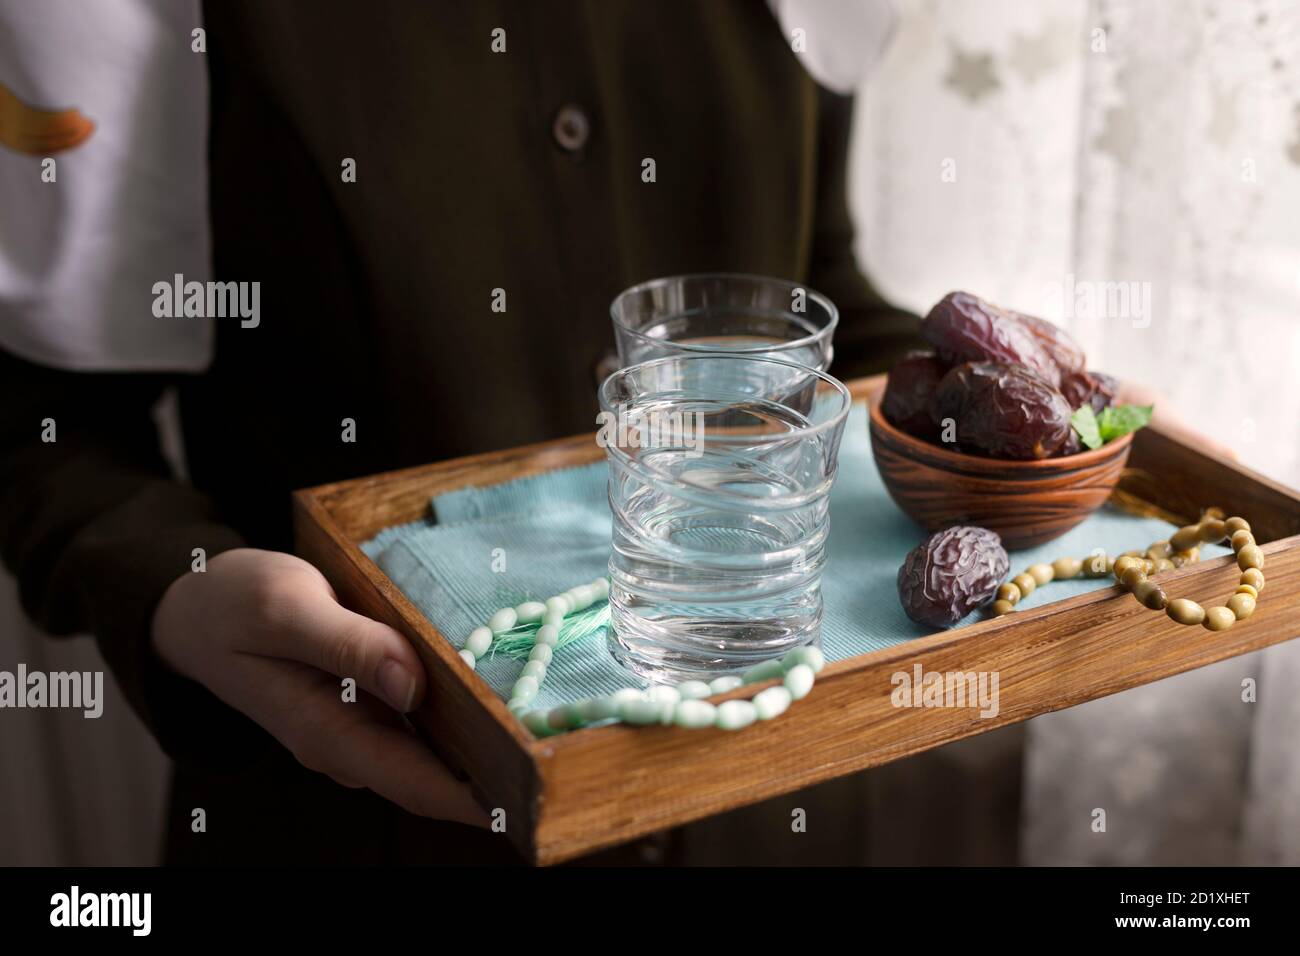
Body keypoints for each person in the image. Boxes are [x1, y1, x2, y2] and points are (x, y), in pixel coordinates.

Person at [0, 0, 919, 863]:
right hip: (357, 816)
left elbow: (816, 298)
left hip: (778, 790)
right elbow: (48, 419)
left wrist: (962, 393)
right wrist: (174, 586)